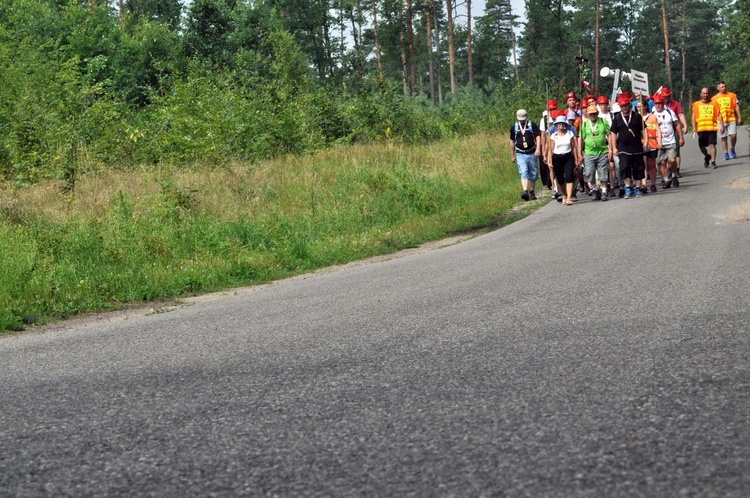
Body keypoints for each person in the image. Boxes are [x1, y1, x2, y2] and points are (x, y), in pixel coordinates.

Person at [609, 92, 648, 198]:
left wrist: (646, 141)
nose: (624, 108)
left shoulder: (637, 116)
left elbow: (644, 129)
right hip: (623, 147)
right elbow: (613, 133)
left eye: (626, 106)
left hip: (636, 146)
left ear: (630, 105)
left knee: (638, 167)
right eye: (622, 106)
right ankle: (628, 188)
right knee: (624, 167)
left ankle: (638, 188)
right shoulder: (617, 118)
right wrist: (614, 147)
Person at [580, 104, 611, 201]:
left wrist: (610, 149)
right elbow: (581, 138)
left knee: (603, 172)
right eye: (591, 114)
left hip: (602, 151)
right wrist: (580, 152)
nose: (593, 116)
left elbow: (609, 135)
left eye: (594, 113)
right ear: (588, 115)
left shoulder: (603, 121)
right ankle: (594, 189)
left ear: (597, 113)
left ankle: (604, 191)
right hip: (589, 153)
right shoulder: (584, 124)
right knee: (589, 173)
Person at [652, 95, 683, 189]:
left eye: (660, 104)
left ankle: (673, 174)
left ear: (663, 104)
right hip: (659, 142)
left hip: (671, 140)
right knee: (661, 163)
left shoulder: (670, 112)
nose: (658, 106)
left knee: (672, 160)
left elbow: (677, 125)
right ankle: (666, 180)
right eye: (656, 104)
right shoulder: (653, 114)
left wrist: (681, 137)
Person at [548, 115, 580, 205]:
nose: (560, 125)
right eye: (559, 124)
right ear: (556, 125)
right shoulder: (553, 135)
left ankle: (569, 198)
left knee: (569, 176)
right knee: (560, 179)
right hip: (557, 158)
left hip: (568, 157)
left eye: (562, 123)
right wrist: (549, 161)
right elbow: (550, 149)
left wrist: (576, 158)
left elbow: (574, 147)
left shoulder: (570, 133)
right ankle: (564, 195)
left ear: (565, 124)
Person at [510, 109, 542, 200]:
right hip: (520, 153)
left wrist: (538, 149)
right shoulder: (514, 127)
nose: (522, 120)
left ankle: (532, 191)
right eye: (520, 119)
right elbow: (512, 141)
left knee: (533, 172)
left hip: (532, 152)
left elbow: (538, 136)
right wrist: (512, 155)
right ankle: (525, 191)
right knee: (523, 171)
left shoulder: (532, 125)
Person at [657, 87, 687, 177]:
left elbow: (680, 115)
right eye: (664, 96)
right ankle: (666, 173)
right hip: (661, 134)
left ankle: (676, 170)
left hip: (674, 132)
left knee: (676, 152)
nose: (666, 98)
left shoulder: (674, 104)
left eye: (667, 96)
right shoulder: (657, 106)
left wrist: (685, 125)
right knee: (662, 158)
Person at [692, 87, 724, 169]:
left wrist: (721, 125)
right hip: (701, 128)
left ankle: (713, 161)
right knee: (702, 146)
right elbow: (694, 116)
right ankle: (707, 156)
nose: (705, 95)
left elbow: (719, 114)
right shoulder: (696, 104)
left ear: (709, 94)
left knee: (712, 144)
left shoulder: (714, 103)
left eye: (707, 93)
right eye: (704, 93)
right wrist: (694, 127)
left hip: (712, 127)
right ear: (701, 94)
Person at [712, 80, 742, 160]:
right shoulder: (714, 98)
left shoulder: (732, 95)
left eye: (725, 86)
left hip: (731, 118)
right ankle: (726, 153)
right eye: (722, 87)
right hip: (720, 121)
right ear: (718, 88)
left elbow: (736, 106)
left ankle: (732, 148)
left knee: (733, 135)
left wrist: (739, 117)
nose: (724, 88)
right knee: (724, 137)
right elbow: (714, 111)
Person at [639, 98, 659, 192]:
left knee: (651, 164)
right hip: (641, 144)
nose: (638, 108)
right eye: (637, 107)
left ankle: (653, 184)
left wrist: (660, 140)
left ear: (645, 106)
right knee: (643, 165)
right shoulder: (636, 118)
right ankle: (644, 185)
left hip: (652, 144)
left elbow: (657, 130)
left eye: (640, 106)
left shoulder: (652, 117)